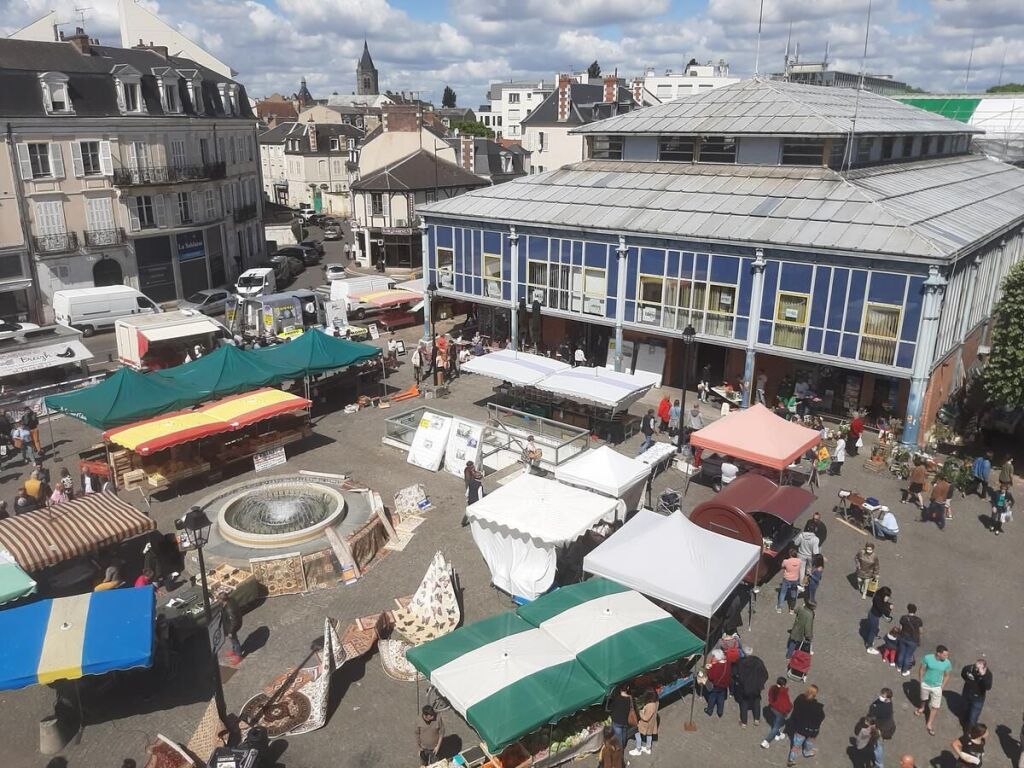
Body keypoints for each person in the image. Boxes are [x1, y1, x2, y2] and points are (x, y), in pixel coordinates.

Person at [916, 645, 952, 735]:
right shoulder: (927, 658)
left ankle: (929, 724)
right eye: (945, 655)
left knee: (935, 706)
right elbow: (922, 669)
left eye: (947, 655)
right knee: (923, 698)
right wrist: (921, 681)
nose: (947, 657)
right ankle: (922, 707)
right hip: (926, 684)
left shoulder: (947, 663)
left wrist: (941, 687)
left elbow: (947, 676)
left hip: (937, 687)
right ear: (938, 654)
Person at [787, 685, 825, 767]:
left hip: (800, 727)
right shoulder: (817, 707)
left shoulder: (799, 699)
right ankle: (807, 752)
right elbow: (821, 717)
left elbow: (795, 709)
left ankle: (791, 759)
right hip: (812, 730)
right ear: (815, 694)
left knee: (796, 745)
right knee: (809, 742)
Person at [732, 653, 768, 728]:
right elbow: (765, 675)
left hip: (744, 688)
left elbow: (734, 673)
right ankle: (757, 719)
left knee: (744, 704)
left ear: (744, 654)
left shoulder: (740, 662)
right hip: (756, 687)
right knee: (756, 701)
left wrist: (738, 682)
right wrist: (760, 684)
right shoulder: (758, 662)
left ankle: (744, 722)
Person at [761, 677, 792, 749]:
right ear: (783, 685)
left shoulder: (772, 688)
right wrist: (789, 708)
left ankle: (778, 734)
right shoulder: (783, 692)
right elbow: (786, 704)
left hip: (772, 708)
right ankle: (766, 741)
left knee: (775, 722)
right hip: (780, 711)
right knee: (776, 726)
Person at [960, 659, 992, 728]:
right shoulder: (968, 668)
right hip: (967, 694)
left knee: (973, 718)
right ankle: (964, 723)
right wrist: (968, 682)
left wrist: (983, 676)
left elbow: (988, 687)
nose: (976, 670)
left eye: (979, 668)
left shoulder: (988, 674)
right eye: (976, 667)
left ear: (984, 668)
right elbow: (963, 674)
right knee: (965, 711)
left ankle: (969, 731)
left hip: (978, 698)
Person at [869, 688, 897, 768]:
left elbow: (872, 712)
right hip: (888, 726)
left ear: (888, 698)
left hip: (881, 730)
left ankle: (879, 765)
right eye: (881, 694)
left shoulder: (883, 708)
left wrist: (873, 706)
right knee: (878, 745)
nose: (880, 697)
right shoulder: (889, 703)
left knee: (878, 747)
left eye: (883, 696)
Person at [862, 586, 892, 654]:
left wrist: (887, 603)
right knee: (873, 630)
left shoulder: (878, 597)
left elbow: (883, 605)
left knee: (874, 628)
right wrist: (889, 608)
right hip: (874, 616)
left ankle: (871, 639)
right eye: (887, 596)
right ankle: (869, 647)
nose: (888, 597)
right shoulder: (878, 600)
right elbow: (883, 610)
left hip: (873, 615)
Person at [896, 604, 924, 677]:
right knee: (908, 655)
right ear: (915, 611)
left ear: (908, 610)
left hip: (903, 638)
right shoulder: (918, 620)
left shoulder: (903, 618)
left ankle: (899, 667)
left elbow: (900, 628)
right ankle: (904, 671)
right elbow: (921, 631)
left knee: (901, 652)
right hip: (913, 640)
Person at [629, 689, 659, 757]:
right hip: (652, 723)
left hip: (646, 724)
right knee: (649, 735)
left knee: (636, 733)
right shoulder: (656, 702)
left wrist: (640, 712)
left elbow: (646, 718)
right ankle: (648, 748)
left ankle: (638, 749)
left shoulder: (650, 705)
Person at [218, 591, 244, 666]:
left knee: (234, 639)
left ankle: (238, 655)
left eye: (219, 599)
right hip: (229, 623)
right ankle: (234, 650)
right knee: (232, 639)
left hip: (233, 626)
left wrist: (231, 632)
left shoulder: (230, 609)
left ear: (223, 600)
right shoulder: (229, 601)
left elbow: (234, 622)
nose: (218, 600)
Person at [703, 649, 731, 718]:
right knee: (721, 697)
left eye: (713, 656)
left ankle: (709, 711)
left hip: (716, 685)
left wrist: (708, 669)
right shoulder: (727, 663)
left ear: (717, 657)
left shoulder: (716, 666)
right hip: (724, 685)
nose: (712, 657)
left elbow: (711, 677)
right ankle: (720, 712)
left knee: (712, 697)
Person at [777, 548, 802, 613]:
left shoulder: (786, 561)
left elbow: (782, 566)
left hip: (787, 579)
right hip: (795, 579)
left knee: (783, 593)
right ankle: (792, 609)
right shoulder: (799, 561)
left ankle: (779, 608)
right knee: (794, 593)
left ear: (790, 554)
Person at [462, 461, 483, 527]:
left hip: (470, 499)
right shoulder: (479, 485)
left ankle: (463, 521)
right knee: (477, 511)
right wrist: (481, 502)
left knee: (468, 510)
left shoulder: (471, 482)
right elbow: (480, 496)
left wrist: (467, 497)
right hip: (475, 501)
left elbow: (467, 492)